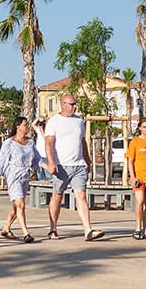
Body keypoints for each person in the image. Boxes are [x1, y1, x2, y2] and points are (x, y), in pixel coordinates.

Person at [44, 94, 105, 241]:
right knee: (57, 196)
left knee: (81, 196)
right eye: (71, 104)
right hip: (61, 165)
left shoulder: (79, 121)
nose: (74, 107)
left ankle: (88, 229)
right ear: (63, 104)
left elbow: (82, 141)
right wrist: (51, 162)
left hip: (79, 165)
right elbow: (48, 143)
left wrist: (87, 159)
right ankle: (53, 228)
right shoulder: (54, 121)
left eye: (75, 104)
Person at [0, 116, 40, 242]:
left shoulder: (30, 142)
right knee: (21, 204)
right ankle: (26, 233)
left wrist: (49, 167)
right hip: (13, 175)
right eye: (25, 124)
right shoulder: (9, 143)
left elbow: (37, 159)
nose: (28, 127)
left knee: (16, 206)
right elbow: (2, 160)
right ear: (18, 126)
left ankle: (6, 228)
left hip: (25, 176)